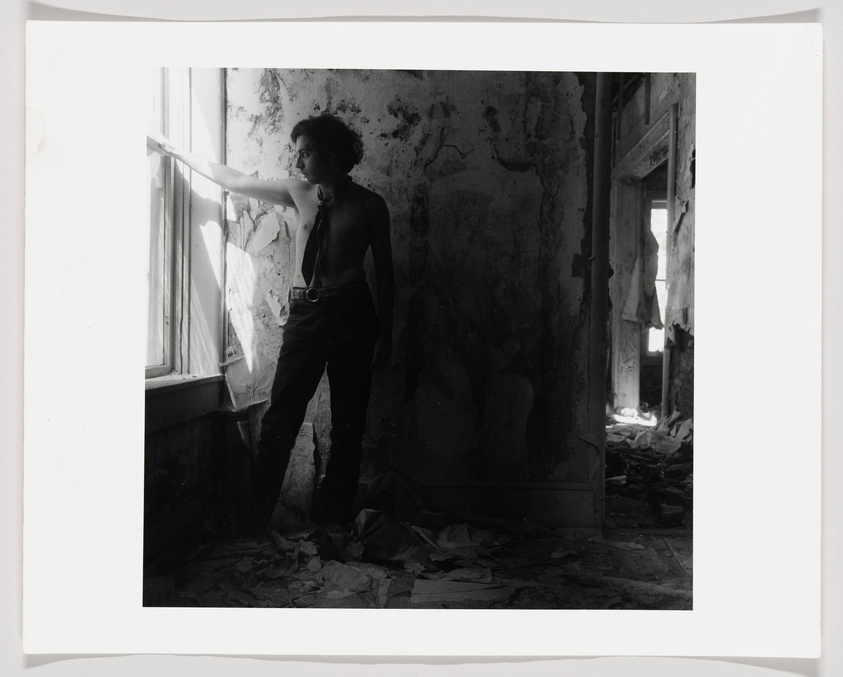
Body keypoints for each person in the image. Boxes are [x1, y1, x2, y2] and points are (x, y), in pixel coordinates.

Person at [148, 114, 394, 532]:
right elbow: (237, 180)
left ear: (330, 153)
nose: (297, 162)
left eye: (305, 153)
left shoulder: (370, 204)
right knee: (280, 420)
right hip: (305, 314)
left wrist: (385, 335)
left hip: (352, 315)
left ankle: (333, 523)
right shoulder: (300, 192)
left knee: (349, 423)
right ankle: (253, 521)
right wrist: (177, 151)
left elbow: (386, 274)